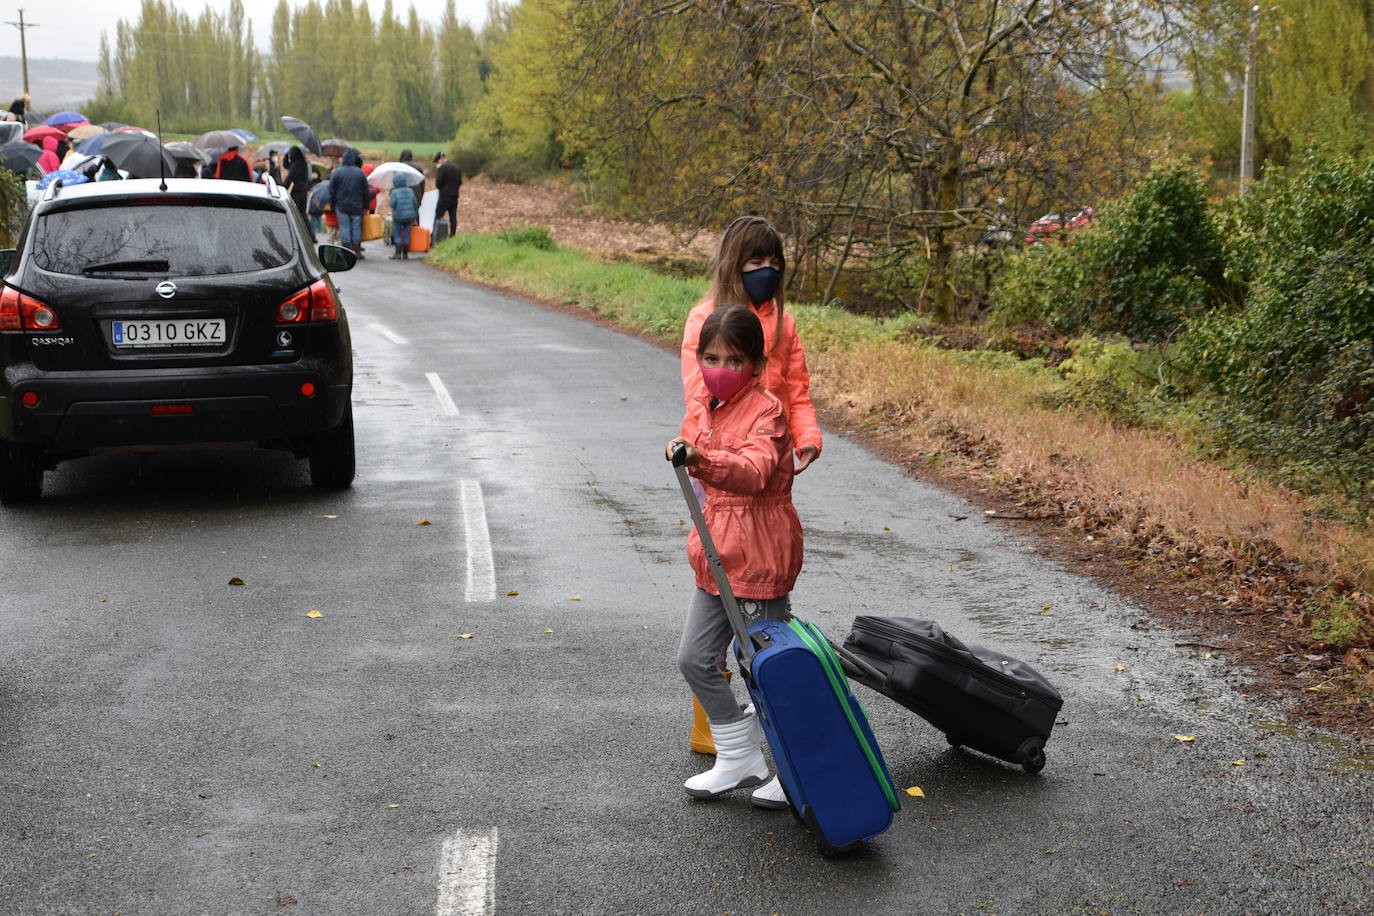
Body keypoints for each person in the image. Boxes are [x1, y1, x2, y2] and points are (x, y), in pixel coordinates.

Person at [678, 215, 822, 764]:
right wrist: (699, 451)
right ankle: (728, 744)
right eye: (754, 262)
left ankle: (785, 756)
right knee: (709, 636)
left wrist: (803, 437)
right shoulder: (704, 319)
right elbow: (701, 398)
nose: (766, 272)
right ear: (733, 264)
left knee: (762, 642)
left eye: (773, 263)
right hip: (719, 470)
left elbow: (798, 393)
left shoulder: (782, 324)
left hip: (765, 466)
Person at [666, 305, 803, 809]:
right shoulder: (704, 404)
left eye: (733, 360)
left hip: (759, 553)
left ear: (756, 365)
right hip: (717, 552)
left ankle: (797, 768)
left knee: (765, 669)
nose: (719, 368)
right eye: (710, 357)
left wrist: (703, 458)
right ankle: (738, 754)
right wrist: (683, 446)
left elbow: (755, 470)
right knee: (696, 660)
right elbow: (692, 440)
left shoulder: (768, 411)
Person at [329, 148, 369, 257]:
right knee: (356, 227)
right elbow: (366, 191)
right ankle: (357, 251)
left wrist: (332, 205)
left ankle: (347, 252)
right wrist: (366, 206)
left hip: (341, 206)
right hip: (357, 207)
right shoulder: (360, 173)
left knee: (344, 227)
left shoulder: (337, 172)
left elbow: (331, 191)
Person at [284, 147, 314, 240]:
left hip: (297, 193)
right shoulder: (303, 163)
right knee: (303, 214)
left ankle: (293, 235)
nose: (290, 156)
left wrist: (281, 187)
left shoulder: (296, 165)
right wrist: (285, 156)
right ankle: (311, 235)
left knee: (293, 213)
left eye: (290, 154)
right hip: (304, 193)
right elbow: (287, 166)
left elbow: (289, 178)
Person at [388, 172, 418, 260]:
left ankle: (397, 254)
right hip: (409, 217)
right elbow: (415, 204)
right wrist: (414, 215)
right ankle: (405, 254)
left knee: (397, 233)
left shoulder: (394, 192)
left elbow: (392, 204)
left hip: (398, 217)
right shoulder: (410, 191)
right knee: (407, 233)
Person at [434, 151, 462, 237]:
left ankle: (436, 235)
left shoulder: (442, 168)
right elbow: (460, 182)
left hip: (444, 196)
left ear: (441, 159)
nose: (437, 164)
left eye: (437, 162)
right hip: (455, 195)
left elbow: (439, 183)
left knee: (438, 215)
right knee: (453, 216)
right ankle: (452, 235)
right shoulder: (457, 167)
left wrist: (441, 188)